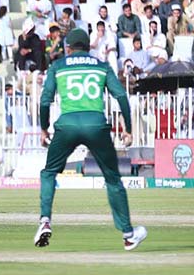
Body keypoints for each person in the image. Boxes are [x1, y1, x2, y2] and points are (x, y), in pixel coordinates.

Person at [35, 28, 147, 251]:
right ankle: (127, 234)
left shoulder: (58, 66)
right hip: (96, 125)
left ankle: (45, 220)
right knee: (113, 178)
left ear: (68, 47)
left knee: (48, 173)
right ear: (89, 47)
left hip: (66, 126)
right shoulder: (101, 65)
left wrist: (44, 129)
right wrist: (128, 128)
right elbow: (121, 96)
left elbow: (45, 100)